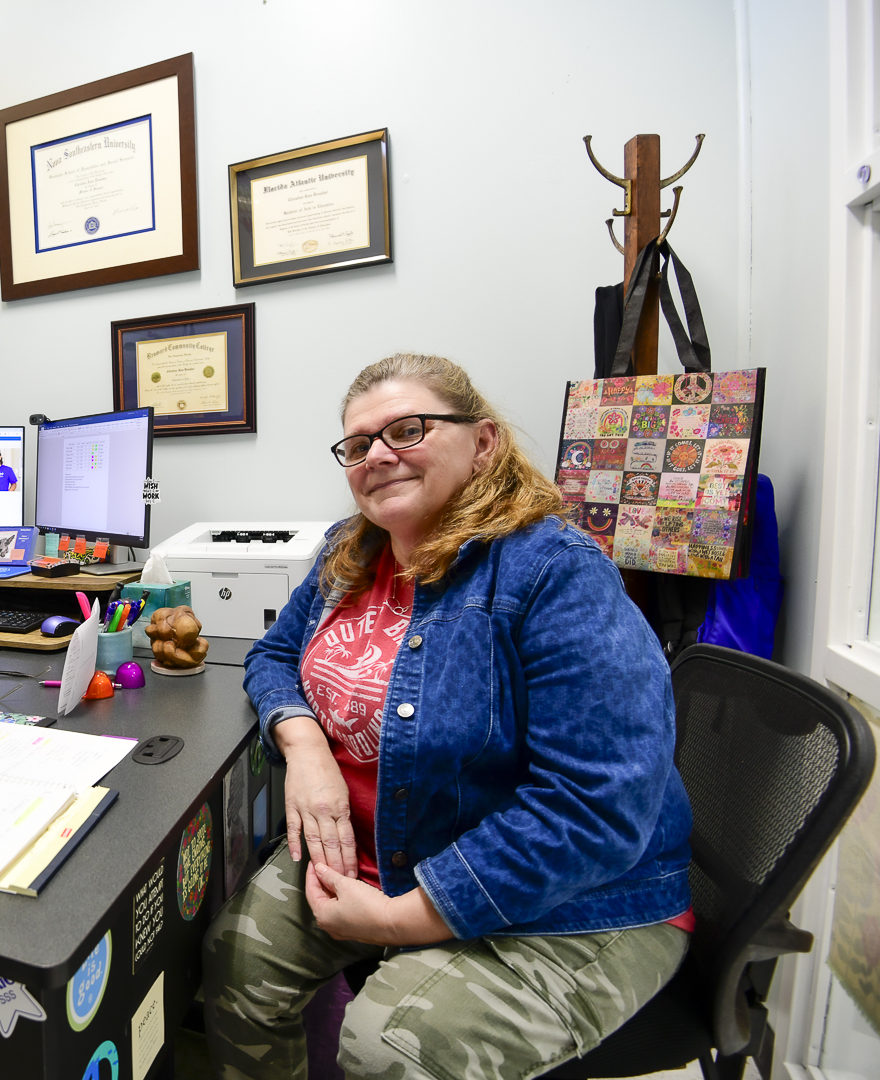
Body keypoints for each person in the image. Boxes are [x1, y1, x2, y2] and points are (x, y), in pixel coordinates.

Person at [205, 353, 692, 1080]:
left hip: (569, 900)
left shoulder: (553, 570)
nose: (378, 456)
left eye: (407, 430)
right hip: (379, 850)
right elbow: (273, 654)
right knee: (234, 962)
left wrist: (403, 922)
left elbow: (597, 807)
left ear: (484, 443)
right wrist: (302, 746)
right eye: (359, 444)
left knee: (389, 1046)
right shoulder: (350, 548)